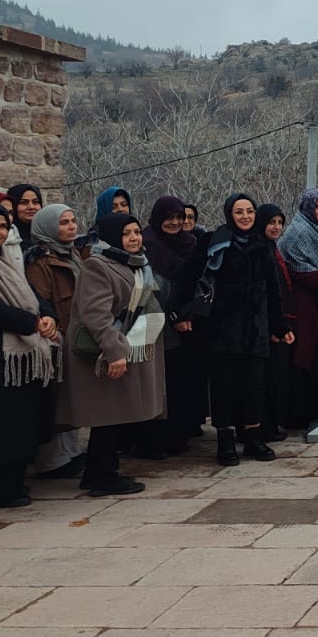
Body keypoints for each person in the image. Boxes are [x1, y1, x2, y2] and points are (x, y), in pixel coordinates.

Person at [177, 194, 292, 465]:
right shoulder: (212, 241)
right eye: (239, 212)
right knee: (223, 387)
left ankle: (253, 438)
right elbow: (187, 277)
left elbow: (273, 291)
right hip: (220, 329)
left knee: (254, 386)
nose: (245, 216)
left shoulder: (261, 245)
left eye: (250, 211)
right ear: (230, 213)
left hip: (254, 329)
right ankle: (225, 441)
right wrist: (180, 313)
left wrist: (279, 325)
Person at [58, 211, 163, 497]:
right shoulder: (98, 265)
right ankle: (102, 475)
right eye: (127, 233)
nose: (134, 238)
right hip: (102, 352)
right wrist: (114, 351)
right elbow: (95, 314)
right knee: (107, 415)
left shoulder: (136, 264)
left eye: (136, 232)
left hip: (122, 346)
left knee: (113, 415)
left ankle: (100, 472)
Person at [0, 202, 58, 508]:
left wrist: (46, 315)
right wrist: (31, 323)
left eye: (3, 226)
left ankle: (14, 485)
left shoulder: (6, 258)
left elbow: (31, 294)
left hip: (19, 353)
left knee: (19, 424)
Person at [25, 203, 88, 480]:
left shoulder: (73, 254)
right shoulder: (39, 262)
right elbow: (39, 300)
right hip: (56, 336)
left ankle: (70, 452)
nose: (71, 226)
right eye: (64, 222)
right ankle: (52, 460)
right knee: (56, 399)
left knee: (73, 396)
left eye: (73, 221)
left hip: (76, 334)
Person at [142, 194, 200, 453]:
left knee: (181, 383)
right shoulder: (148, 245)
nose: (175, 222)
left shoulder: (190, 244)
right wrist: (176, 316)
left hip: (188, 325)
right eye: (170, 218)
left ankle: (180, 434)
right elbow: (152, 289)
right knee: (159, 385)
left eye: (180, 217)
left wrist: (187, 313)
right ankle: (156, 440)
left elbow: (198, 282)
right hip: (158, 326)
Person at [278, 189, 318, 425]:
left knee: (315, 356)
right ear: (308, 208)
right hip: (302, 304)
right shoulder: (298, 232)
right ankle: (298, 415)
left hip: (315, 302)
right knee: (304, 356)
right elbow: (297, 269)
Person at [257, 203, 295, 443]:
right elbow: (267, 292)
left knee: (274, 379)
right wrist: (275, 327)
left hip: (274, 322)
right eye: (271, 222)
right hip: (265, 327)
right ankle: (263, 427)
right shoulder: (261, 250)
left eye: (280, 222)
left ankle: (270, 424)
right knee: (265, 380)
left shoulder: (272, 248)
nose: (276, 227)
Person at [6, 183, 43, 251]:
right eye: (23, 202)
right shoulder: (7, 238)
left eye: (35, 202)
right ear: (13, 206)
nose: (31, 207)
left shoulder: (49, 236)